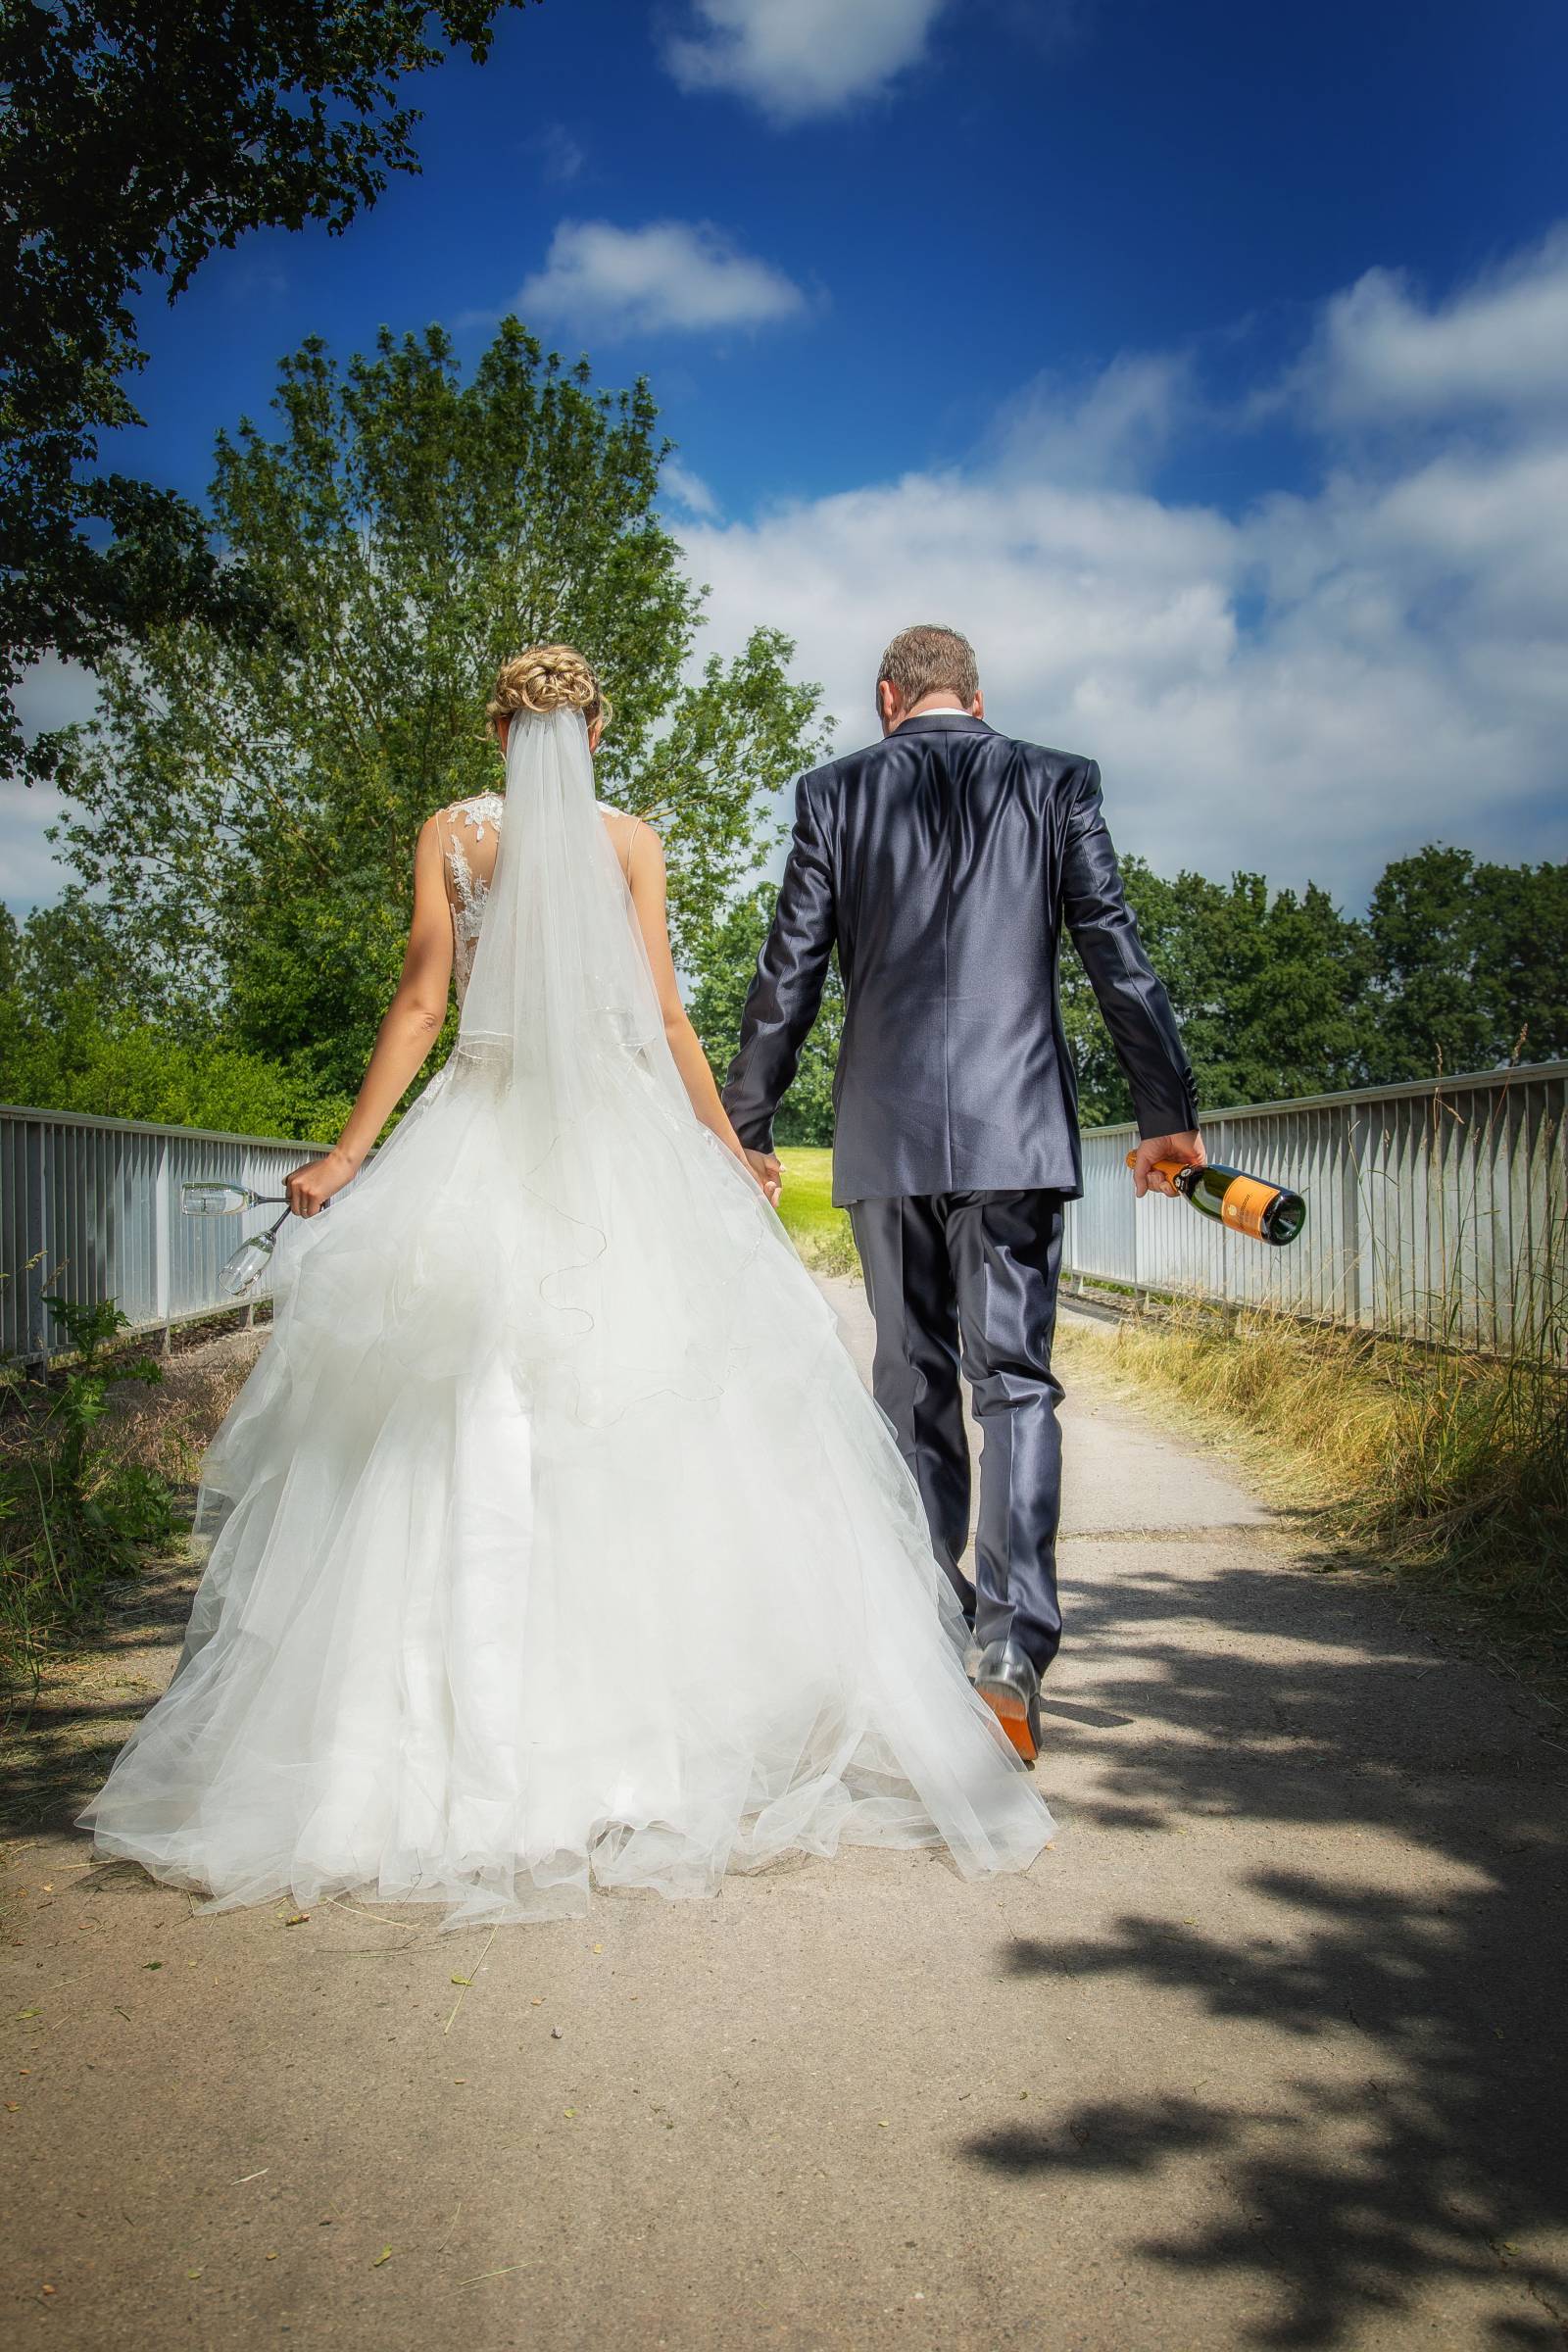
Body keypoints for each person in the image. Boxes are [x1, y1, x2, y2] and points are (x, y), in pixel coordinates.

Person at [80, 645, 1054, 1926]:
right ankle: (633, 1753)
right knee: (638, 1411)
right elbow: (662, 1016)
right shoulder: (628, 841)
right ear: (593, 729)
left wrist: (352, 1152)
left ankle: (435, 1761)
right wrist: (727, 1146)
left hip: (478, 1142)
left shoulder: (452, 837)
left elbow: (422, 1004)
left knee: (463, 1420)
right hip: (613, 1154)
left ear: (501, 730)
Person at [723, 625, 1204, 1764]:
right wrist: (1164, 1115)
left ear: (887, 699)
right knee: (1016, 1385)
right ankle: (1011, 1645)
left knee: (911, 1382)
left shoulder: (832, 794)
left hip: (885, 1135)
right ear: (973, 699)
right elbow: (1114, 954)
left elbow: (786, 969)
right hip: (1015, 1130)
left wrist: (741, 1126)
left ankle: (930, 1632)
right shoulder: (1053, 782)